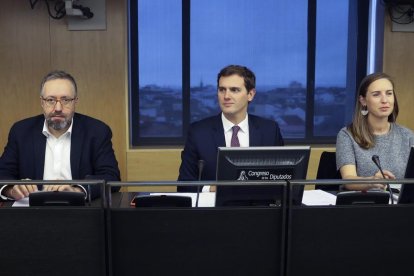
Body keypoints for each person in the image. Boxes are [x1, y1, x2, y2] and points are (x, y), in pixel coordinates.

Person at [0, 70, 120, 200]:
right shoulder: (21, 131)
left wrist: (77, 190)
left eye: (66, 100)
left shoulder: (97, 131)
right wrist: (11, 190)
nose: (58, 108)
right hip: (32, 212)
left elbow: (110, 177)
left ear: (75, 102)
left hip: (80, 212)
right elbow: (3, 173)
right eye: (51, 100)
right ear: (42, 102)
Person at [178, 65, 284, 192]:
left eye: (234, 90)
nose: (226, 96)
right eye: (222, 90)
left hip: (258, 208)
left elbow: (283, 179)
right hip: (215, 209)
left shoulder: (270, 130)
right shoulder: (198, 132)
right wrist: (212, 189)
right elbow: (184, 185)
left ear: (250, 94)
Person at [336, 72, 414, 191]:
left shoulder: (408, 136)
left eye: (389, 93)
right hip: (366, 204)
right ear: (363, 101)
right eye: (376, 94)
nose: (384, 100)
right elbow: (348, 179)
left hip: (400, 206)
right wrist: (373, 181)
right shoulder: (347, 135)